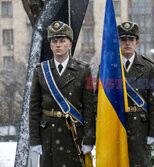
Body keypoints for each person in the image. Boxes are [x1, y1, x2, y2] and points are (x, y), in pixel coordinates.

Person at [29, 21, 95, 167]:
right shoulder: (40, 71)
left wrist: (89, 139)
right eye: (54, 41)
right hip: (48, 137)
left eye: (62, 41)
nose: (58, 45)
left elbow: (90, 108)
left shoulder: (84, 70)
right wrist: (35, 140)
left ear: (69, 45)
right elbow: (34, 109)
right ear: (50, 45)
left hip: (74, 134)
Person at [117, 21, 154, 166]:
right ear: (118, 42)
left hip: (140, 127)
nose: (127, 43)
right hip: (116, 124)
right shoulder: (108, 66)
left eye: (131, 40)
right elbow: (98, 99)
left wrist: (153, 131)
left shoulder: (148, 67)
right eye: (123, 39)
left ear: (137, 42)